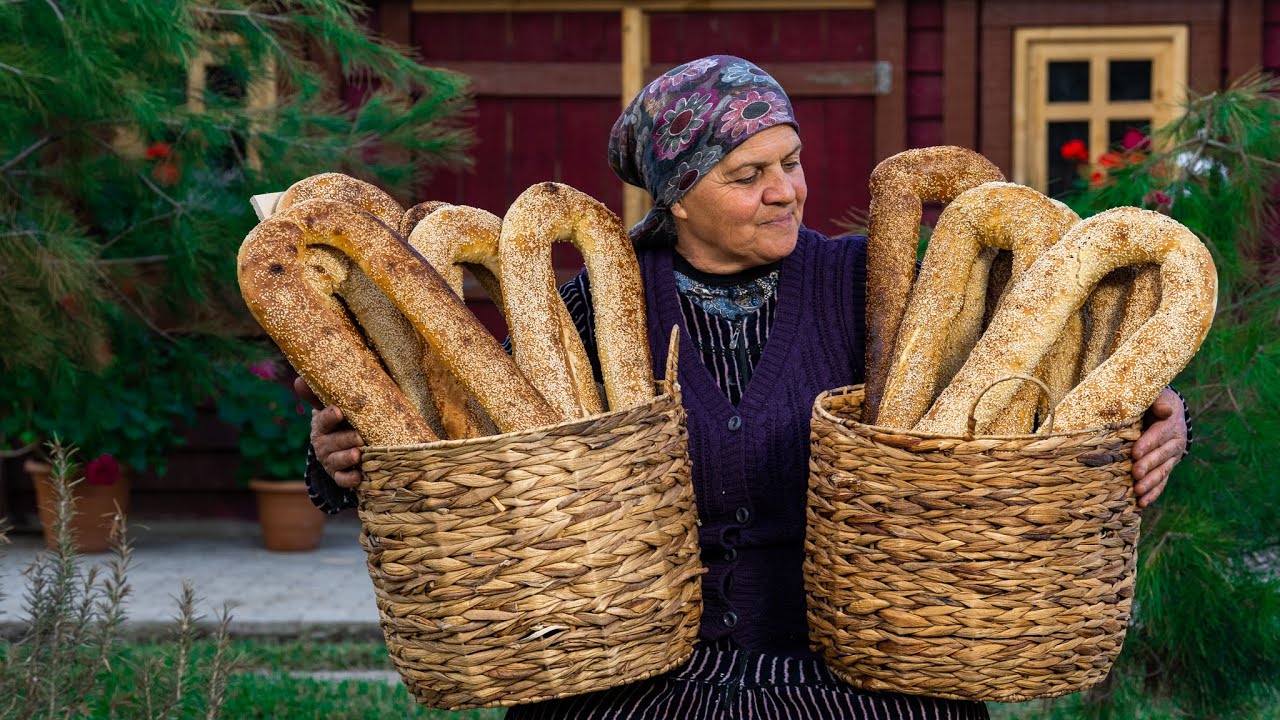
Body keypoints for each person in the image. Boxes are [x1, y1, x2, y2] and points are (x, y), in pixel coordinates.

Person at [299, 55, 1190, 719]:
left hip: (859, 676)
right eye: (748, 174)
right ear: (677, 195)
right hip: (630, 679)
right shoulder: (581, 308)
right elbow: (477, 455)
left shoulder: (877, 294)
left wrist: (1162, 419)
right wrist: (337, 463)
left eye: (791, 162)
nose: (786, 192)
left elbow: (1032, 384)